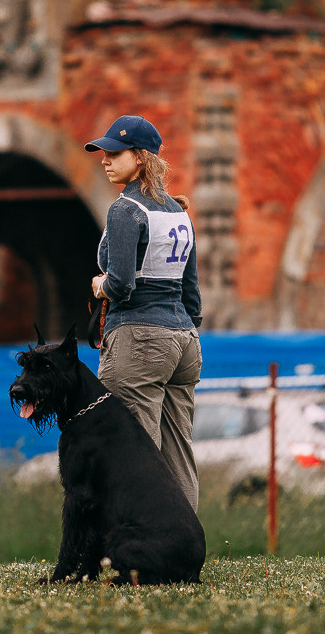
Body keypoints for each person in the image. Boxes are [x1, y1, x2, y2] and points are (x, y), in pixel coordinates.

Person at [85, 114, 203, 511]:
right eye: (103, 152)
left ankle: (141, 548)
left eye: (114, 152)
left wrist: (99, 285)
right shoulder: (179, 212)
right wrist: (182, 334)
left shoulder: (125, 209)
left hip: (138, 338)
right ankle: (184, 546)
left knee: (131, 451)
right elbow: (193, 297)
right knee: (179, 455)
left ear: (140, 157)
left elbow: (120, 284)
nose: (105, 159)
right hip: (184, 341)